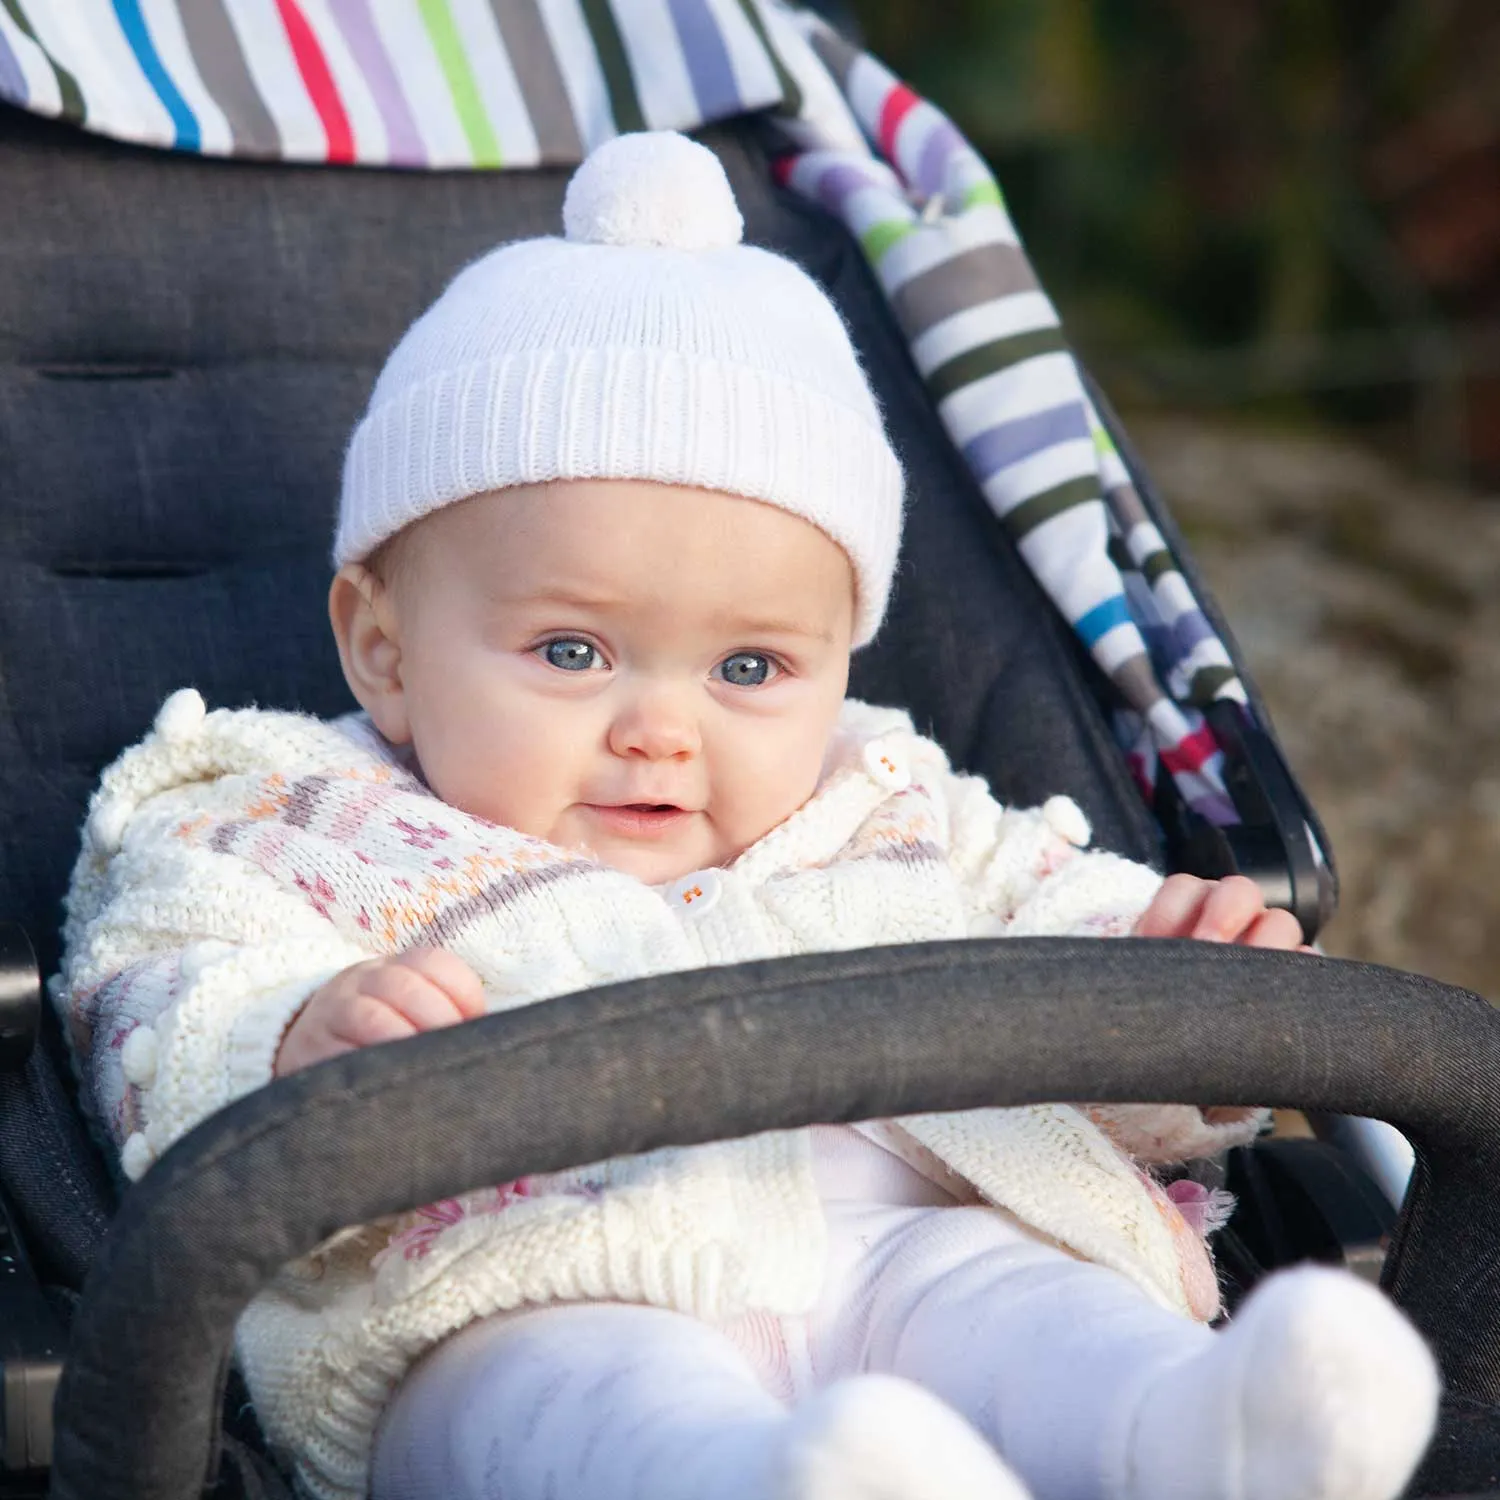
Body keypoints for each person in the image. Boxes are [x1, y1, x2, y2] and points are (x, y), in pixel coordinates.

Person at [56, 132, 1438, 1500]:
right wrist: (291, 1035)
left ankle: (1206, 1437)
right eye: (573, 652)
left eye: (751, 669)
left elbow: (1057, 937)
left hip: (907, 1244)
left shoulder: (890, 802)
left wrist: (1178, 993)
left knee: (1026, 1304)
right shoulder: (292, 819)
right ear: (385, 649)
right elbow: (151, 991)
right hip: (524, 1287)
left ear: (838, 665)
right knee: (573, 1401)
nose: (664, 727)